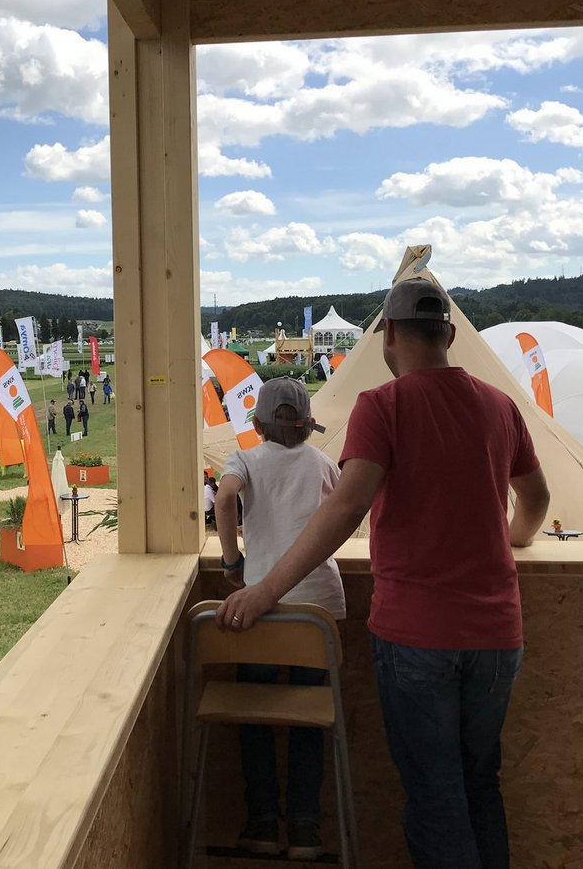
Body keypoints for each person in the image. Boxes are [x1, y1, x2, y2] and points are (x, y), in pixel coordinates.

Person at [219, 279, 550, 869]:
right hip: (498, 634)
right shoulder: (501, 406)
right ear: (448, 334)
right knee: (481, 785)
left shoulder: (383, 405)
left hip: (417, 635)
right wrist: (513, 539)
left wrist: (264, 589)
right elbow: (536, 499)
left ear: (388, 335)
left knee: (436, 796)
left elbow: (346, 507)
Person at [215, 378, 343, 859]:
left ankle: (264, 823)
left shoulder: (245, 459)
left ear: (255, 423)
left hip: (261, 611)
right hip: (318, 611)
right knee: (311, 717)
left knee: (256, 713)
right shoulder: (322, 463)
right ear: (309, 425)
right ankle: (306, 831)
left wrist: (233, 562)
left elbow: (224, 499)